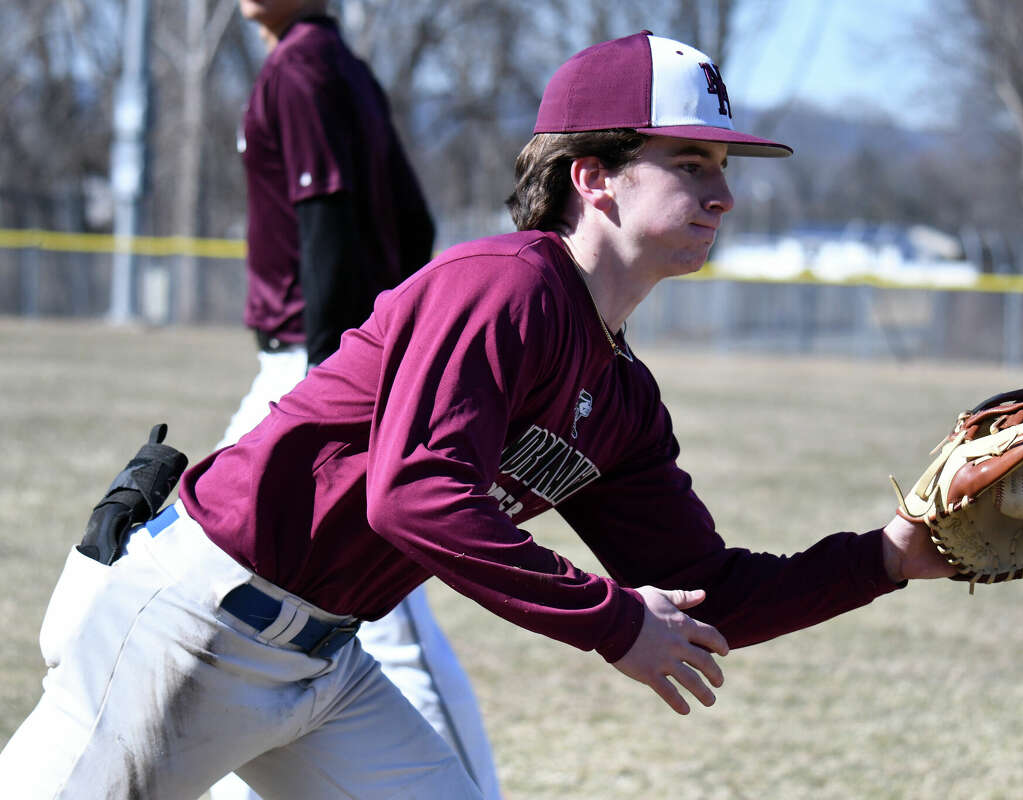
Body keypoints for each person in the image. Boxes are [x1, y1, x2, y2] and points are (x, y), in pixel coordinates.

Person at [0, 30, 955, 799]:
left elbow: (701, 589)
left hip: (324, 666)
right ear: (594, 176)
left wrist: (887, 556)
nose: (724, 192)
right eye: (691, 161)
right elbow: (412, 496)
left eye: (724, 166)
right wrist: (611, 622)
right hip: (189, 628)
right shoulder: (504, 289)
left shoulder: (620, 393)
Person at [216, 1, 500, 798]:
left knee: (390, 627)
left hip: (315, 373)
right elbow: (415, 224)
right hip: (323, 368)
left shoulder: (304, 66)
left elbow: (333, 230)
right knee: (225, 601)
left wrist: (341, 383)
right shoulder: (339, 66)